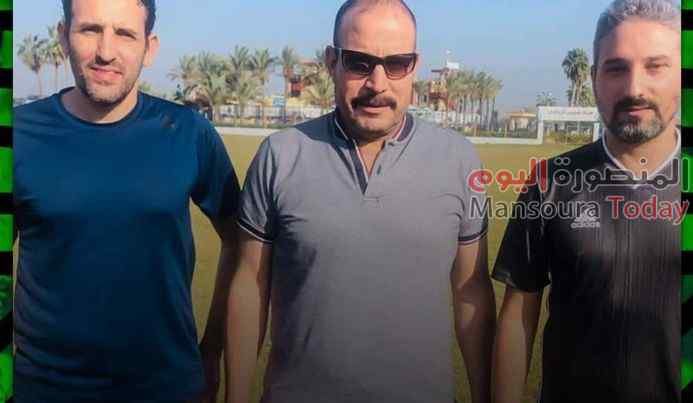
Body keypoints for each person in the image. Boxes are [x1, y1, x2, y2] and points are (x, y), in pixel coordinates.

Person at [225, 1, 496, 402]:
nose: (377, 83)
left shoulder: (459, 160)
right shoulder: (280, 156)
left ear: (415, 66)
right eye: (359, 62)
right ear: (331, 62)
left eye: (397, 63)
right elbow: (250, 283)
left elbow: (471, 291)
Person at [13, 0, 240, 401]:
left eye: (124, 33)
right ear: (63, 36)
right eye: (90, 30)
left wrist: (213, 346)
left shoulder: (189, 132)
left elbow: (240, 241)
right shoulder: (19, 136)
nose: (106, 51)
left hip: (168, 389)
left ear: (149, 48)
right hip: (43, 390)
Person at [492, 1, 681, 402]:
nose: (634, 88)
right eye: (616, 68)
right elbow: (518, 313)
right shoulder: (550, 182)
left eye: (655, 66)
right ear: (594, 78)